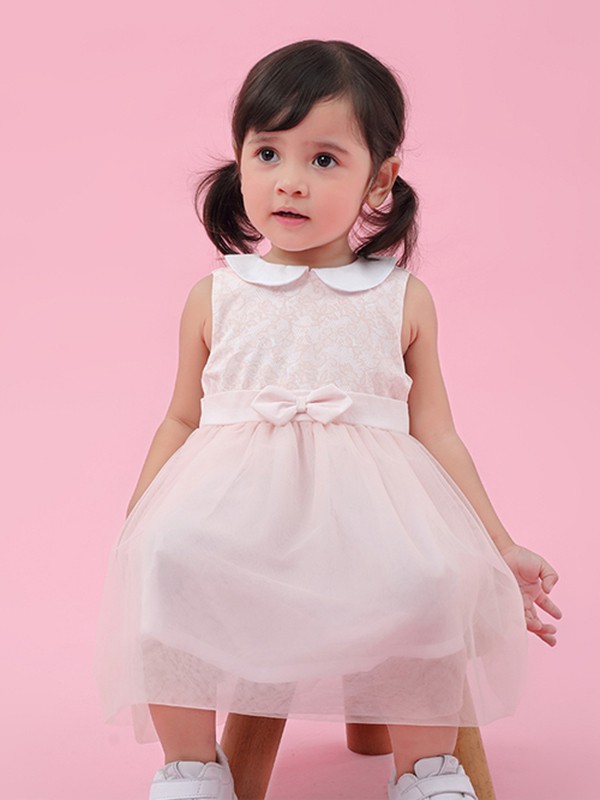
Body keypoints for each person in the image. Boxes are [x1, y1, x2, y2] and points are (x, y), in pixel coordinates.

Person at [93, 39, 563, 800]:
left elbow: (437, 431)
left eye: (323, 159)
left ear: (380, 178)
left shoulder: (399, 298)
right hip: (239, 515)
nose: (289, 181)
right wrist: (140, 519)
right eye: (267, 153)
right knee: (168, 558)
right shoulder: (218, 295)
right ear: (240, 161)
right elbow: (180, 418)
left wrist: (499, 543)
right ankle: (190, 764)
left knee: (430, 578)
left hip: (369, 518)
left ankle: (425, 768)